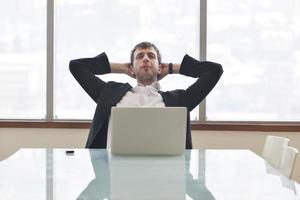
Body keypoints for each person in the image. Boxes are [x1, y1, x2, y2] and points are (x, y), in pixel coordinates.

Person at [69, 41, 223, 149]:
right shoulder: (109, 93)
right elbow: (77, 66)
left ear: (159, 68)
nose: (145, 59)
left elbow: (214, 71)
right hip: (115, 175)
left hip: (164, 175)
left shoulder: (179, 100)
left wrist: (170, 68)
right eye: (139, 56)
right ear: (132, 69)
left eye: (151, 56)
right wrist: (122, 68)